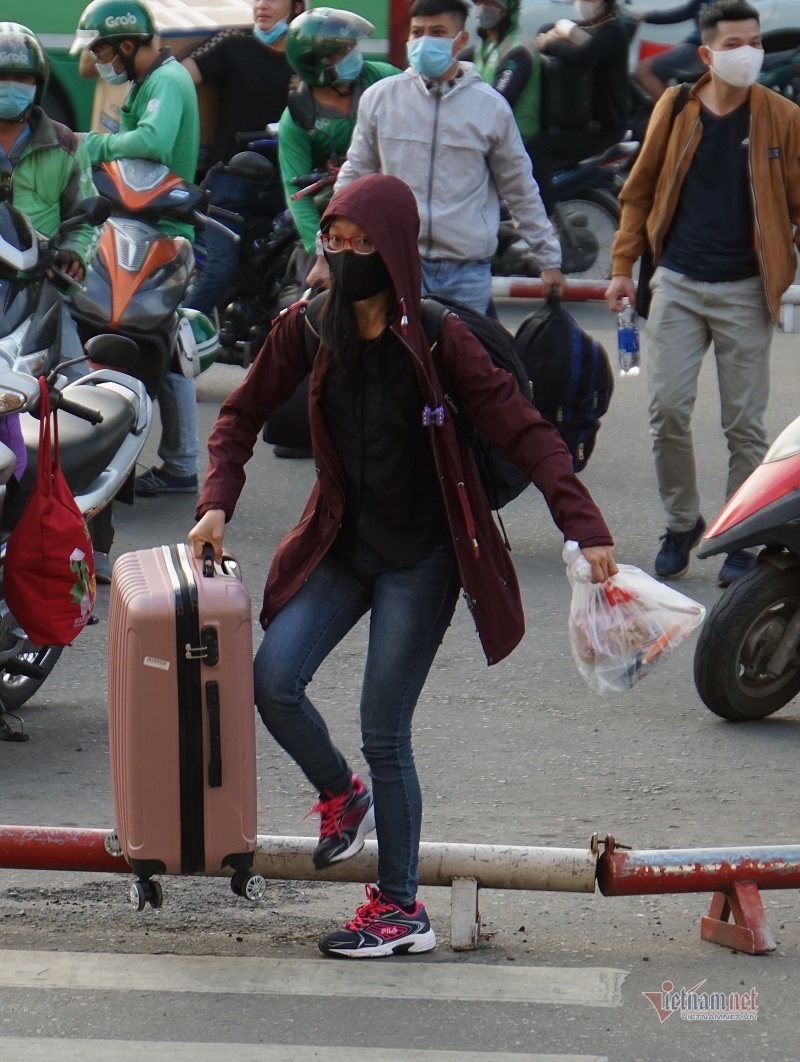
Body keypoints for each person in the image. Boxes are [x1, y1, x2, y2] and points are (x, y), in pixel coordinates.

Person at [189, 171, 617, 958]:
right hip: (342, 545)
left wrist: (583, 527)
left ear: (394, 254)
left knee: (384, 730)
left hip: (421, 559)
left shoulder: (442, 342)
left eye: (361, 245)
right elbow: (240, 415)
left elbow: (528, 433)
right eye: (334, 242)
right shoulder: (309, 328)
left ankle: (399, 910)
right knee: (272, 681)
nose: (344, 257)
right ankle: (340, 795)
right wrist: (217, 500)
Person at [605, 0, 800, 587]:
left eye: (756, 42)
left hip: (746, 290)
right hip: (680, 283)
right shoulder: (677, 106)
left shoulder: (783, 117)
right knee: (667, 411)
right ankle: (681, 521)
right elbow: (638, 193)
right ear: (709, 54)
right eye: (736, 44)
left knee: (744, 426)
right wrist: (621, 265)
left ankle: (743, 534)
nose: (750, 54)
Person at [330, 0, 565, 314]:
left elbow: (519, 187)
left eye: (438, 32)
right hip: (395, 265)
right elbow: (355, 174)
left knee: (461, 361)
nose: (425, 40)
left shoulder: (490, 107)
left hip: (466, 273)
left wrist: (548, 259)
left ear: (461, 41)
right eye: (418, 32)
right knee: (397, 360)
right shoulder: (381, 99)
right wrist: (327, 251)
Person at [72, 0, 201, 517]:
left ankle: (183, 463)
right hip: (141, 222)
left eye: (103, 48)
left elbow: (152, 142)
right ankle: (179, 459)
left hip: (162, 227)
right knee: (160, 341)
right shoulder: (147, 83)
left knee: (164, 337)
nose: (99, 60)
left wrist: (92, 144)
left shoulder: (166, 83)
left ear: (126, 44)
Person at [0, 23, 102, 548]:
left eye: (20, 77)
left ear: (38, 84)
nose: (10, 86)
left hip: (41, 293)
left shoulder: (63, 143)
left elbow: (83, 217)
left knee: (88, 404)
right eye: (1, 77)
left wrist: (75, 255)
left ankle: (93, 535)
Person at [181, 0, 306, 316]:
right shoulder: (234, 42)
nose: (262, 5)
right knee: (217, 273)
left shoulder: (305, 58)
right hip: (231, 180)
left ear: (296, 6)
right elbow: (179, 78)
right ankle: (172, 344)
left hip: (287, 182)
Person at [278, 8, 398, 282]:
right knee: (313, 305)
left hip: (386, 210)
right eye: (342, 53)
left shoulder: (380, 79)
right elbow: (297, 195)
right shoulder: (297, 119)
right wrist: (323, 251)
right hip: (334, 221)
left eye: (352, 47)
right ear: (314, 63)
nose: (354, 56)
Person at [528, 0, 630, 217]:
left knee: (537, 149)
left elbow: (586, 52)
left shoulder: (613, 32)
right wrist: (555, 32)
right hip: (581, 122)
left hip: (604, 128)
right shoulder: (589, 27)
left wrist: (549, 43)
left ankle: (542, 222)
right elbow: (545, 30)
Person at [460, 0, 541, 145]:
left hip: (516, 143)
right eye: (480, 2)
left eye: (490, 3)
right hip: (486, 135)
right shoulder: (485, 46)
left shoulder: (518, 50)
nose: (483, 8)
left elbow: (498, 102)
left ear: (506, 10)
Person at [633, 0, 710, 102]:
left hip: (705, 50)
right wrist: (646, 16)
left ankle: (669, 115)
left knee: (644, 70)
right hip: (696, 45)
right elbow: (685, 12)